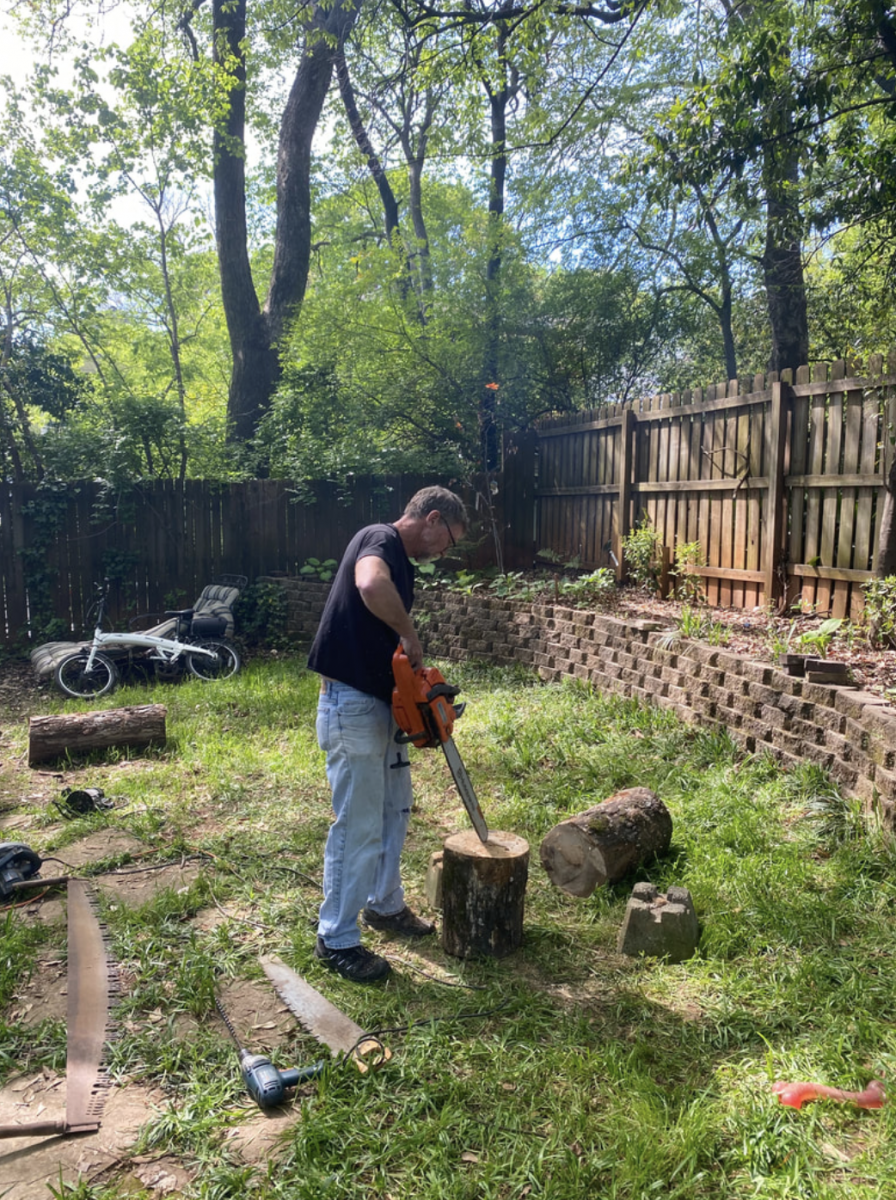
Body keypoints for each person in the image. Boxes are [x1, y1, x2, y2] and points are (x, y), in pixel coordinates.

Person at [307, 485, 467, 983]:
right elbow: (371, 585)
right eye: (448, 540)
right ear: (432, 518)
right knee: (358, 823)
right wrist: (410, 633)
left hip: (380, 705)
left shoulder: (397, 554)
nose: (445, 552)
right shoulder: (378, 539)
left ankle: (384, 903)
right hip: (351, 704)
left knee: (394, 810)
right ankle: (335, 937)